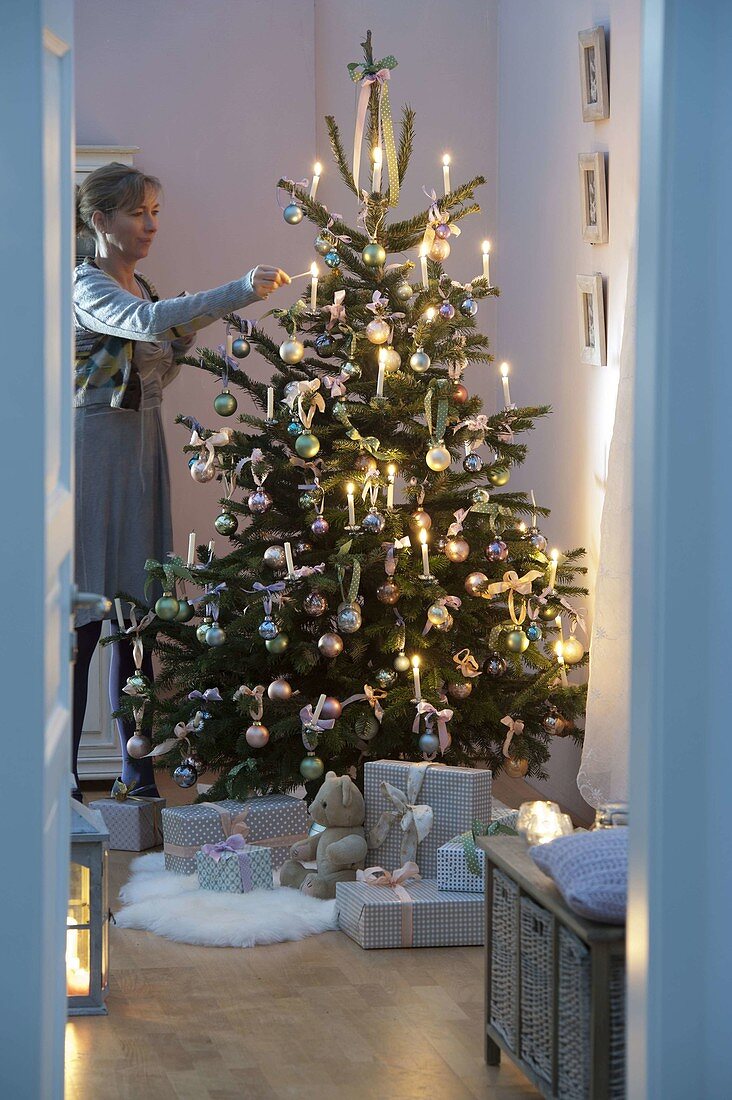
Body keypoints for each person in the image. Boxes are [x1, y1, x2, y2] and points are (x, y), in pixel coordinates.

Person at [73, 161, 290, 799]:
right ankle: (59, 781)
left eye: (155, 213)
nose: (150, 226)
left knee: (139, 619)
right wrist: (237, 292)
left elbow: (157, 371)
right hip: (93, 456)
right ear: (100, 221)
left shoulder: (143, 288)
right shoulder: (89, 289)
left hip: (142, 449)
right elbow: (146, 326)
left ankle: (137, 772)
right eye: (138, 213)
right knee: (84, 620)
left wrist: (193, 328)